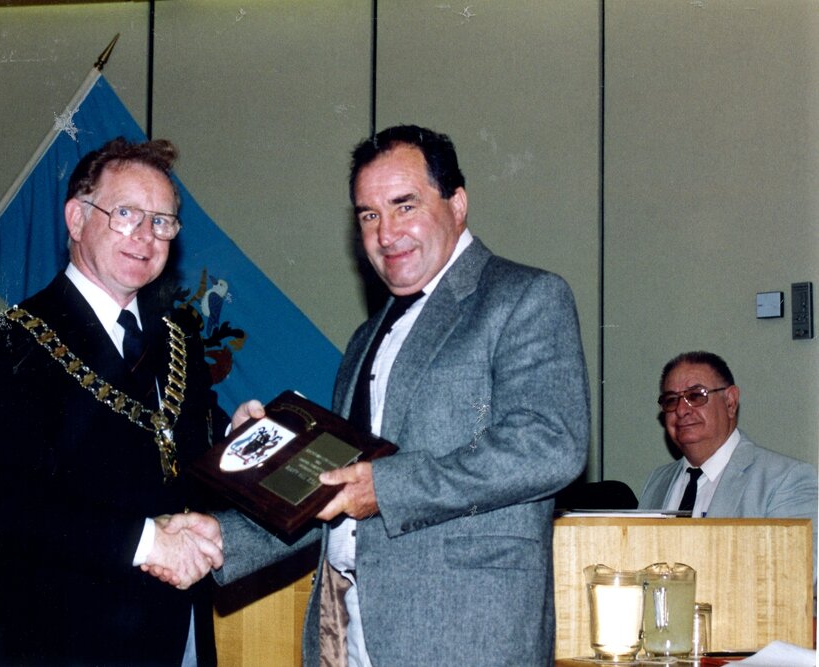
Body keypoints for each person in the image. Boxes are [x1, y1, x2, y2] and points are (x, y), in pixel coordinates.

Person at [156, 125, 591, 666]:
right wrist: (221, 538)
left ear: (457, 203)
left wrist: (384, 487)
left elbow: (550, 444)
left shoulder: (526, 297)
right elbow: (334, 496)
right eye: (368, 215)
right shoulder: (367, 337)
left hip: (462, 636)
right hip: (346, 630)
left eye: (405, 206)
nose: (386, 233)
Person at [0, 137, 230, 666]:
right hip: (63, 641)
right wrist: (147, 542)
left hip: (179, 637)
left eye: (162, 221)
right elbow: (4, 515)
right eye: (126, 213)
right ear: (77, 218)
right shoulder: (11, 344)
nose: (145, 236)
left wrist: (241, 444)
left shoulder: (179, 340)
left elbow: (184, 462)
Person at [638, 351, 817, 525]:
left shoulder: (784, 480)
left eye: (695, 396)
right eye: (671, 400)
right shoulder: (657, 481)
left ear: (730, 401)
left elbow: (799, 554)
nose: (681, 410)